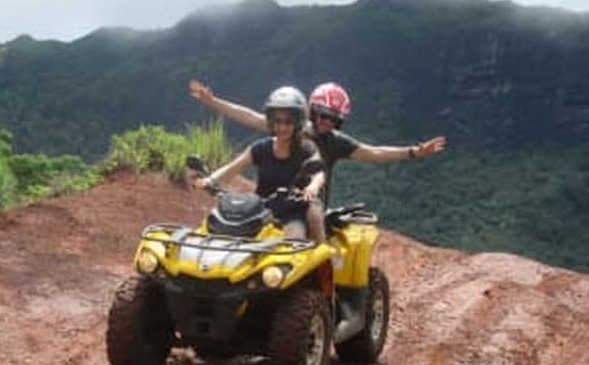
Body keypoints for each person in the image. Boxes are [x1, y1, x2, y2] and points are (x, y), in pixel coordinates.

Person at [189, 79, 447, 205]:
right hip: (269, 201)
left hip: (309, 205)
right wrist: (214, 102)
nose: (326, 122)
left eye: (333, 119)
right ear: (311, 110)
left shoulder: (336, 143)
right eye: (323, 115)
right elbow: (250, 117)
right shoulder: (290, 126)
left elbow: (375, 153)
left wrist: (413, 152)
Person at [193, 86, 327, 243]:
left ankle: (325, 262)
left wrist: (313, 187)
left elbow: (319, 173)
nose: (282, 127)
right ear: (271, 121)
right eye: (277, 121)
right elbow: (232, 168)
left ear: (297, 122)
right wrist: (209, 181)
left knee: (293, 245)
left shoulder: (306, 148)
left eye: (288, 122)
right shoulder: (260, 148)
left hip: (293, 211)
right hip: (260, 211)